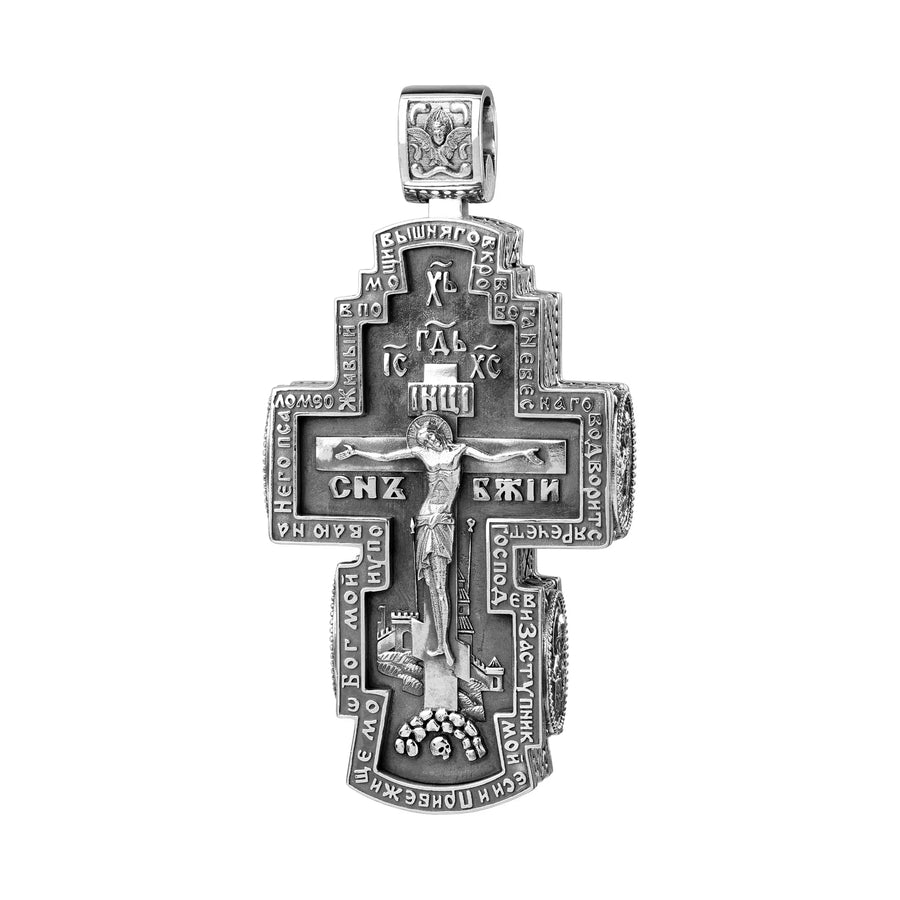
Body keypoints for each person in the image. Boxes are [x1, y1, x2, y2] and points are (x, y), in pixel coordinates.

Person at [339, 416, 542, 667]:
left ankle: (444, 643)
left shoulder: (459, 450)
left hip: (443, 521)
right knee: (432, 585)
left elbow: (492, 458)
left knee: (440, 585)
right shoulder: (422, 454)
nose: (430, 442)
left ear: (438, 433)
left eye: (431, 437)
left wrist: (522, 453)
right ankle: (440, 643)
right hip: (426, 518)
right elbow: (386, 456)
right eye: (425, 441)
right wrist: (357, 452)